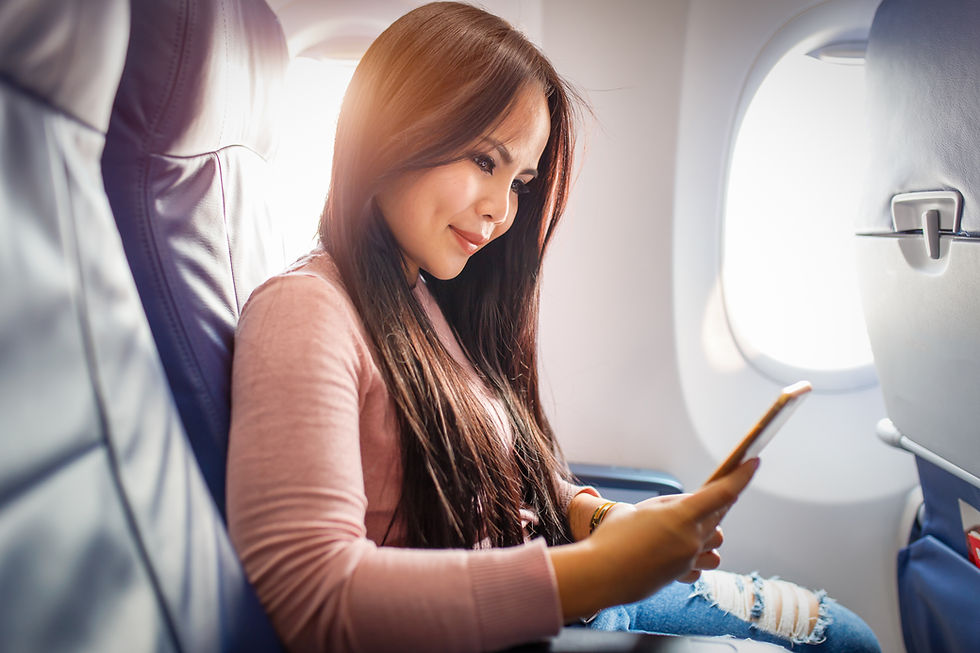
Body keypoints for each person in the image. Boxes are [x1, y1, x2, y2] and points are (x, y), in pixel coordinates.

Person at [226, 3, 881, 652]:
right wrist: (601, 569)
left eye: (521, 181)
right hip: (532, 613)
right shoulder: (304, 312)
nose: (501, 210)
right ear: (391, 128)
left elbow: (489, 477)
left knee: (845, 635)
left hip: (567, 598)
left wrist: (602, 518)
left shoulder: (417, 296)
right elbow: (314, 597)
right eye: (486, 161)